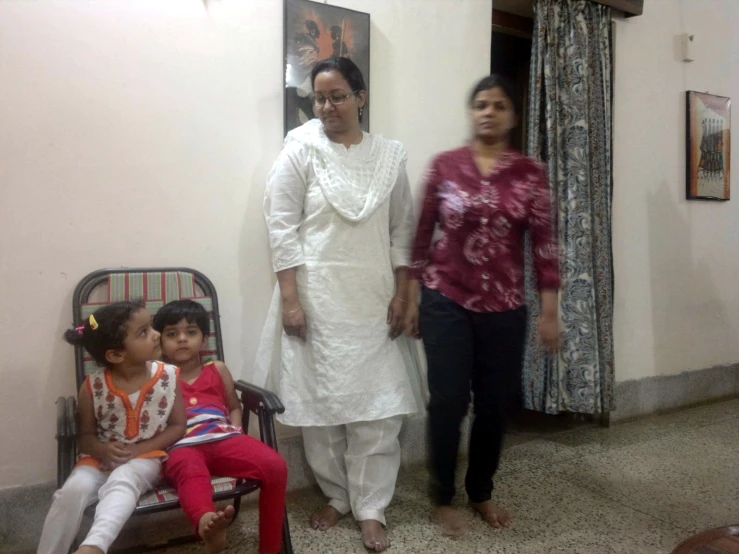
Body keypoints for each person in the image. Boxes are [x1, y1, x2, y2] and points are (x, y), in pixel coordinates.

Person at [254, 57, 424, 552]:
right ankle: (338, 495)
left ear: (361, 98)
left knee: (378, 408)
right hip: (315, 297)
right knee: (322, 405)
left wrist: (402, 292)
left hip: (373, 299)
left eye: (338, 96)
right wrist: (289, 299)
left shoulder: (390, 156)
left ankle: (372, 505)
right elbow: (280, 227)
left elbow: (402, 230)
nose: (327, 106)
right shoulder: (301, 150)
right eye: (319, 98)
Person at [404, 74, 561, 536]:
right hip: (445, 298)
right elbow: (419, 238)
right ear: (471, 113)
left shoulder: (531, 174)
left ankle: (480, 492)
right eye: (480, 104)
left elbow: (546, 249)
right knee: (449, 401)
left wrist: (550, 313)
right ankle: (442, 496)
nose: (488, 112)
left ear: (512, 115)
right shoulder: (445, 166)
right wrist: (412, 298)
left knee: (494, 405)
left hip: (506, 307)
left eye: (498, 105)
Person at [37, 301, 186, 554]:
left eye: (150, 327)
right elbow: (85, 437)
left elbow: (178, 426)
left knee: (123, 479)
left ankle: (93, 546)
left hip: (146, 458)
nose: (156, 334)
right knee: (72, 491)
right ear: (116, 355)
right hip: (99, 459)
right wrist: (103, 450)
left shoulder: (168, 376)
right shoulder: (92, 386)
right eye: (144, 332)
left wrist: (138, 451)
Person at [153, 300, 288, 554]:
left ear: (204, 341)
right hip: (181, 446)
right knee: (190, 472)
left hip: (224, 438)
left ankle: (271, 549)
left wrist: (236, 430)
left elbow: (234, 406)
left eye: (191, 332)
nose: (182, 339)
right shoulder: (158, 377)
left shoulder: (217, 369)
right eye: (172, 334)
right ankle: (208, 524)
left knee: (276, 466)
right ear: (159, 342)